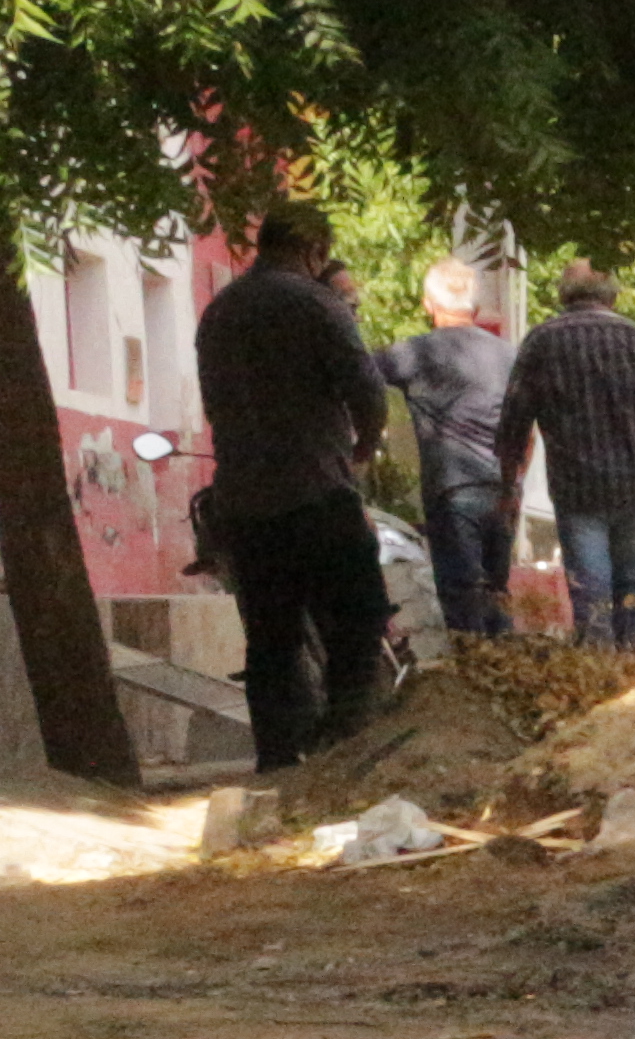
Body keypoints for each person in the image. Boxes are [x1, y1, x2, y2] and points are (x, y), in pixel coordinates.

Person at [192, 202, 388, 769]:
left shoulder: (221, 311)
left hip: (246, 502)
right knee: (357, 619)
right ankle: (345, 745)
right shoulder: (316, 304)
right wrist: (364, 448)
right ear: (314, 251)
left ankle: (279, 761)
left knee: (271, 641)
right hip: (317, 493)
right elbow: (367, 390)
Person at [494, 261, 635, 654]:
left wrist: (510, 486)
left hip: (577, 488)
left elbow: (514, 424)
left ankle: (598, 673)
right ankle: (630, 662)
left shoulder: (542, 341)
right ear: (612, 295)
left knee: (591, 592)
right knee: (631, 585)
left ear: (564, 294)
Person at [374, 258, 510, 636]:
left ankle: (471, 673)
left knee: (460, 591)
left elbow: (358, 374)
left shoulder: (413, 355)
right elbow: (524, 427)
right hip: (501, 487)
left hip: (450, 488)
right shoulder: (507, 356)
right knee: (497, 591)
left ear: (428, 305)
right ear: (476, 308)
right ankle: (507, 670)